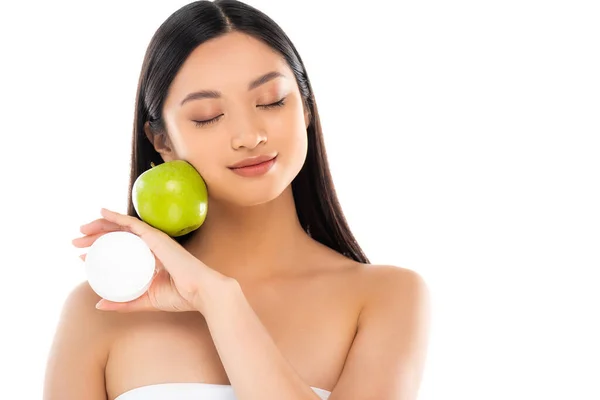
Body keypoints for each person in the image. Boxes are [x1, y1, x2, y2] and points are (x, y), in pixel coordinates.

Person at [43, 1, 431, 399]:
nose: (248, 135)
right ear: (162, 141)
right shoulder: (99, 311)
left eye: (271, 100)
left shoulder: (388, 297)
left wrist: (219, 301)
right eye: (208, 116)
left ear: (307, 108)